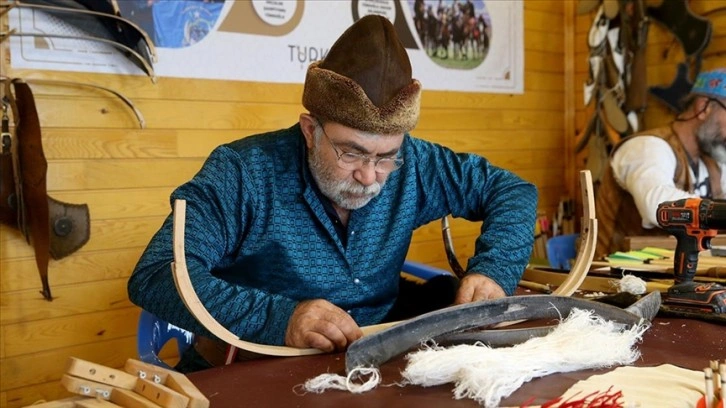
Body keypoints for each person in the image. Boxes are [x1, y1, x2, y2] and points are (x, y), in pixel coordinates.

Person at [127, 15, 537, 371]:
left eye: (386, 156)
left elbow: (512, 191)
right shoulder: (243, 171)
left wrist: (493, 270)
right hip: (251, 369)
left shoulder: (414, 163)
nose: (368, 176)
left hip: (374, 365)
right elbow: (156, 274)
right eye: (350, 152)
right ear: (310, 130)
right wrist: (280, 318)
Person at [595, 68, 726, 257]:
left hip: (675, 275)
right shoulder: (647, 147)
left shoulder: (713, 160)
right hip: (616, 277)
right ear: (704, 107)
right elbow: (654, 206)